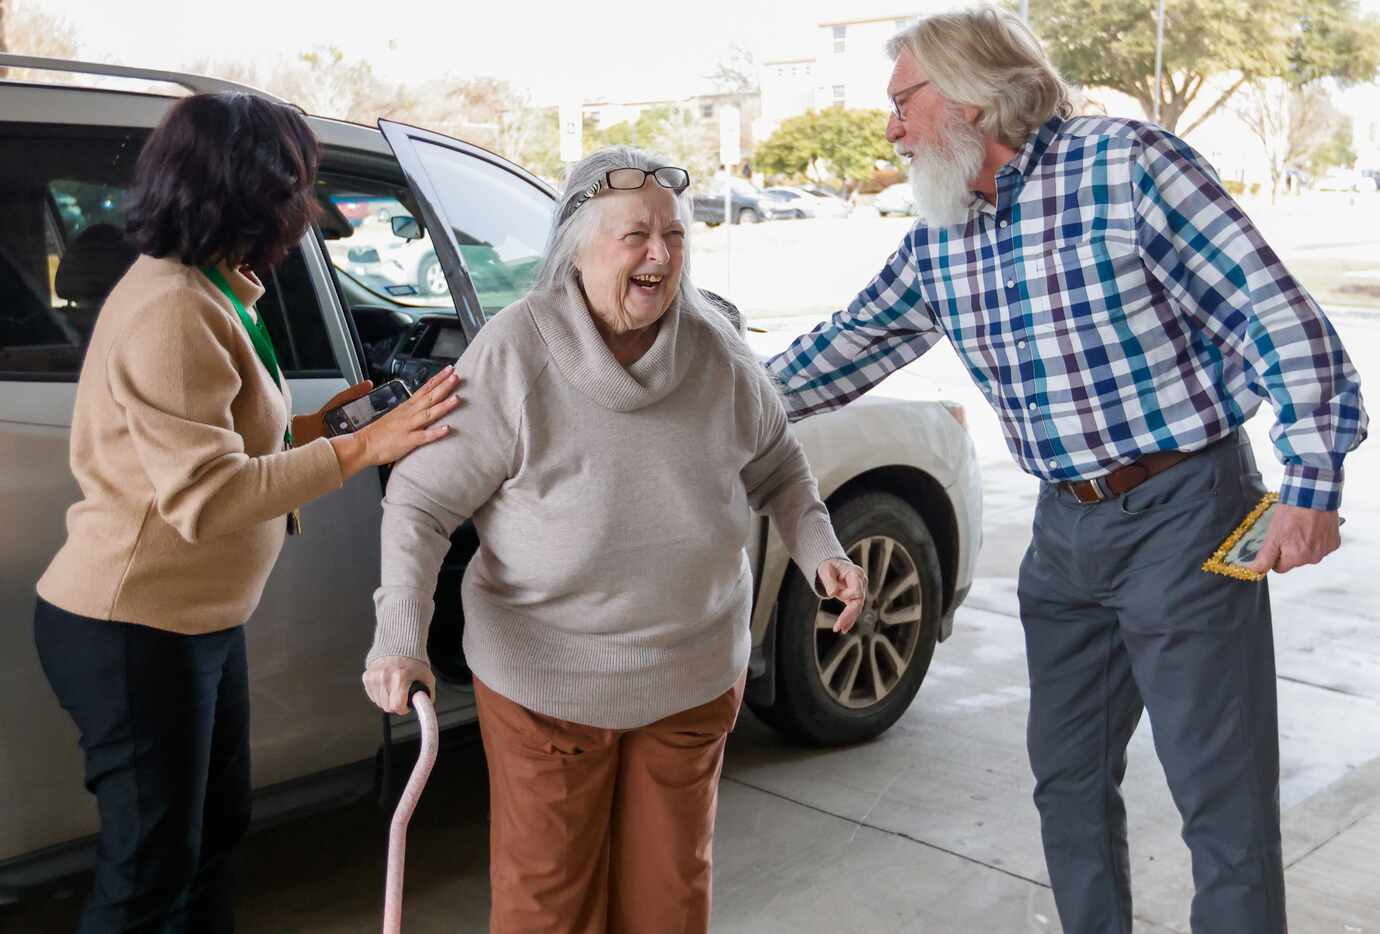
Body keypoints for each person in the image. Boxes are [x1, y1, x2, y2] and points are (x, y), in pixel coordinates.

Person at [765, 8, 1368, 934]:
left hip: (1187, 510)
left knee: (1222, 795)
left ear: (971, 91)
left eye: (901, 102)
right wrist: (699, 406)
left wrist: (1312, 480)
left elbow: (1273, 312)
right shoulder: (944, 227)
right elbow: (844, 348)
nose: (889, 127)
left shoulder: (1128, 164)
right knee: (1068, 782)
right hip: (1063, 529)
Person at [362, 146, 867, 933]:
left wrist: (823, 552)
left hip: (690, 675)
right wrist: (400, 635)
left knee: (668, 905)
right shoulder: (517, 351)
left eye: (674, 235)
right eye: (635, 235)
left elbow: (780, 469)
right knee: (549, 910)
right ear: (576, 244)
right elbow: (422, 503)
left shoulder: (720, 354)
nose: (660, 255)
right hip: (545, 683)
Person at [33, 92, 459, 934]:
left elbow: (226, 441)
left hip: (190, 623)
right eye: (299, 184)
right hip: (133, 630)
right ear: (255, 190)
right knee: (147, 873)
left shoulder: (214, 290)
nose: (308, 208)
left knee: (211, 838)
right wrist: (358, 452)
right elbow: (207, 497)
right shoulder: (172, 311)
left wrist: (323, 424)